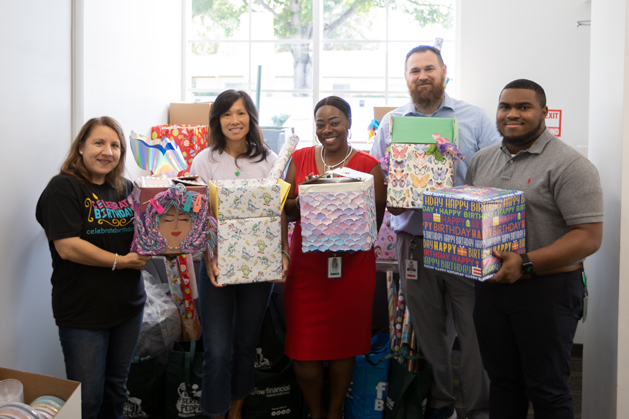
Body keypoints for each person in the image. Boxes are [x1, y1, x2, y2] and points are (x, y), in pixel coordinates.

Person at [370, 45, 502, 419]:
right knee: (428, 331)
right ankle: (441, 403)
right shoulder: (391, 124)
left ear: (444, 71)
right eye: (415, 71)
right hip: (413, 241)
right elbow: (383, 180)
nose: (422, 76)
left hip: (466, 243)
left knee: (474, 332)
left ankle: (479, 409)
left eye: (429, 68)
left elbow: (494, 177)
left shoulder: (474, 119)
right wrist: (394, 198)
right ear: (407, 77)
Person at [466, 79, 603, 419]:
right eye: (505, 107)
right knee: (502, 383)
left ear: (543, 113)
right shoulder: (481, 161)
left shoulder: (571, 165)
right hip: (492, 290)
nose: (512, 114)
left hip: (547, 291)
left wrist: (525, 264)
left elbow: (588, 236)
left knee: (547, 389)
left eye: (523, 107)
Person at [36, 116, 151, 419]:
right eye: (99, 142)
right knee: (87, 399)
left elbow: (146, 235)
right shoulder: (64, 188)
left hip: (128, 307)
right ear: (82, 147)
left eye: (115, 145)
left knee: (117, 389)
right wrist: (120, 262)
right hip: (83, 313)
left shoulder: (127, 189)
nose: (107, 151)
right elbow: (67, 246)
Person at [284, 96, 387, 419]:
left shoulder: (368, 166)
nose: (327, 129)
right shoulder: (299, 159)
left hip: (352, 269)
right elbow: (283, 210)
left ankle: (335, 411)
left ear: (348, 124)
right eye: (320, 124)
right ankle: (315, 412)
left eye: (334, 122)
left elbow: (375, 222)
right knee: (303, 349)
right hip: (306, 270)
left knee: (345, 345)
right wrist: (305, 203)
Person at [189, 89, 289, 419]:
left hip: (257, 269)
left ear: (252, 118)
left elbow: (279, 211)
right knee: (217, 349)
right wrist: (210, 258)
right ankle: (214, 413)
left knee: (246, 345)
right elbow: (198, 216)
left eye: (241, 113)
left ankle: (236, 411)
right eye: (227, 114)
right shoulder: (204, 161)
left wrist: (282, 254)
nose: (235, 120)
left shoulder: (269, 161)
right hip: (216, 266)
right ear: (218, 120)